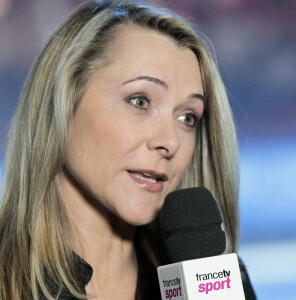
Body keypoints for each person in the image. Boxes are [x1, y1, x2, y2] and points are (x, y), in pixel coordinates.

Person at [0, 0, 256, 299]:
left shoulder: (217, 281)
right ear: (63, 100)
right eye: (139, 101)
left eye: (187, 118)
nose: (171, 142)